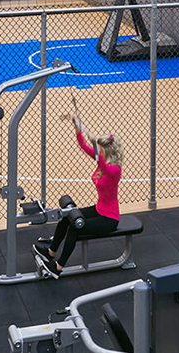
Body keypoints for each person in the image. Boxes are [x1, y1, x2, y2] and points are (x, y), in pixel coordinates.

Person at [34, 95, 122, 279]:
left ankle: (57, 267)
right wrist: (77, 124)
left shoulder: (113, 170)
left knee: (76, 227)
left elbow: (101, 162)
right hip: (99, 209)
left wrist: (93, 140)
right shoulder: (102, 161)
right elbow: (82, 145)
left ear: (107, 151)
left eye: (100, 148)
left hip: (109, 218)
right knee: (67, 216)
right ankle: (51, 251)